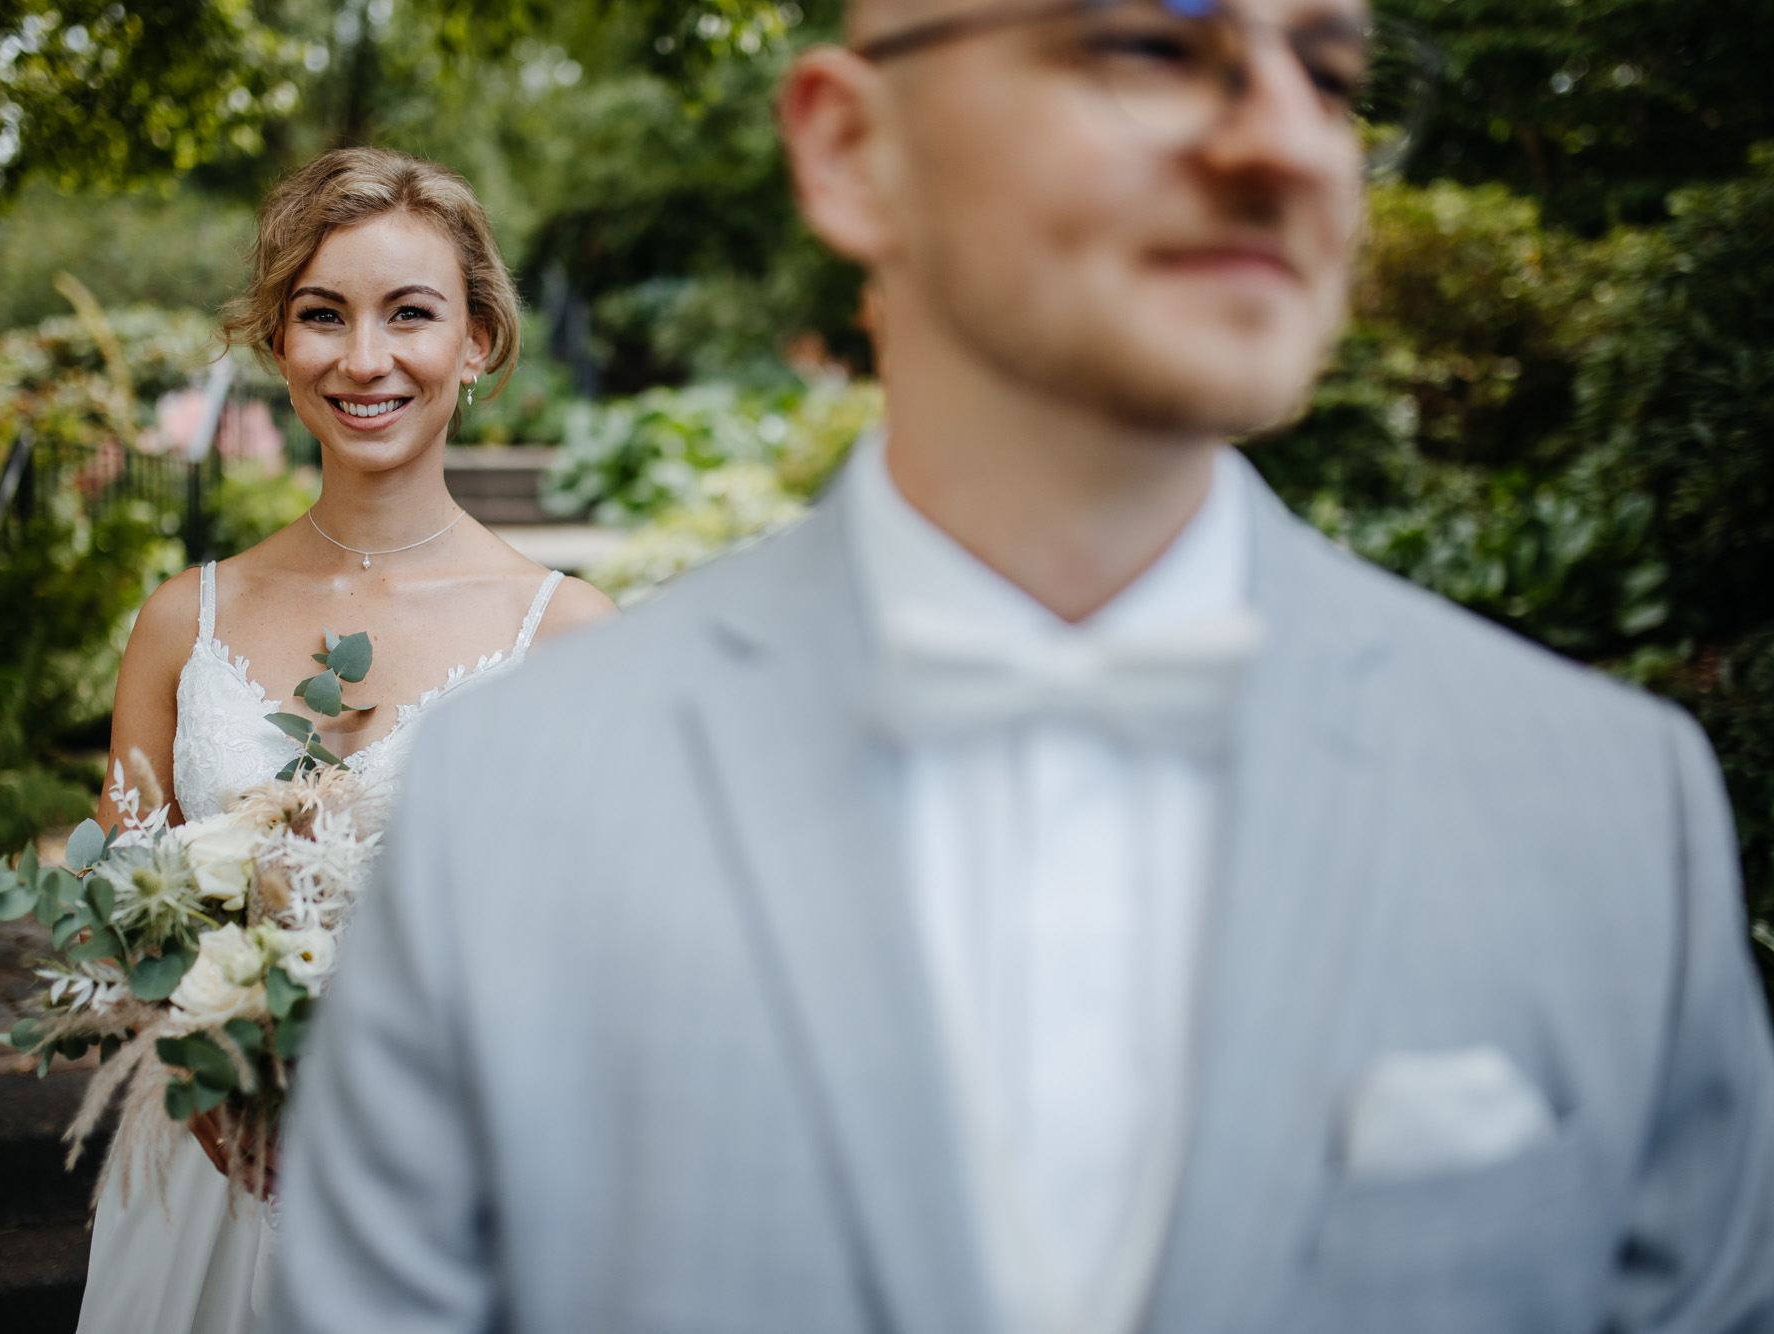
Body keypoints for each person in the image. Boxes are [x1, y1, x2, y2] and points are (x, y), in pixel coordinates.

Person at [264, 0, 1774, 1330]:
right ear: (853, 149)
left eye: (1330, 70)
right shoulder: (514, 799)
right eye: (1149, 44)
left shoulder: (1613, 811)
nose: (1288, 143)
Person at [74, 145, 615, 1334]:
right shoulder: (182, 620)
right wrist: (198, 1067)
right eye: (322, 314)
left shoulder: (567, 634)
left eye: (410, 313)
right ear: (278, 343)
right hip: (208, 1187)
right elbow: (122, 907)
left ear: (475, 341)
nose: (363, 359)